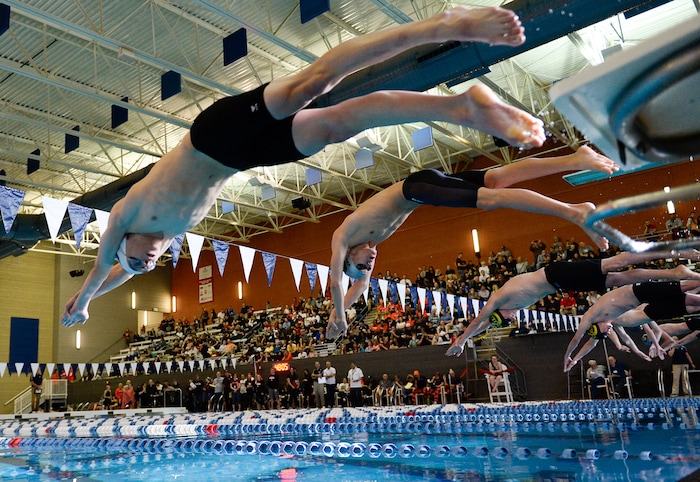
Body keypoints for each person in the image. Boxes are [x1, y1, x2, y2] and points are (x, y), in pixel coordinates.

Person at [61, 6, 543, 328]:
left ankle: (443, 25)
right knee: (340, 124)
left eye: (137, 259)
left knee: (310, 84)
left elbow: (107, 265)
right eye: (147, 266)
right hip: (242, 158)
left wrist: (85, 302)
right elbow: (123, 270)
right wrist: (122, 278)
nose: (147, 262)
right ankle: (459, 108)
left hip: (211, 136)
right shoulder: (168, 235)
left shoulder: (127, 215)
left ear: (125, 243)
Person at [329, 146, 621, 338]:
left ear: (347, 257)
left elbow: (335, 283)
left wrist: (339, 313)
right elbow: (362, 285)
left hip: (417, 189)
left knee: (492, 199)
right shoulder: (368, 247)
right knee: (495, 180)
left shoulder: (342, 236)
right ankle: (573, 159)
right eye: (366, 266)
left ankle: (574, 211)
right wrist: (335, 316)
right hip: (424, 187)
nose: (370, 263)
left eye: (361, 264)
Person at [446, 249, 700, 357]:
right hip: (562, 283)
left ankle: (673, 254)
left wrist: (462, 340)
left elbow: (480, 320)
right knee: (621, 277)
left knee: (615, 264)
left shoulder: (499, 298)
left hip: (556, 274)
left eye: (504, 319)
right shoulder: (516, 305)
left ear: (500, 311)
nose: (512, 320)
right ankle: (675, 273)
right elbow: (485, 325)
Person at [564, 280, 700, 372]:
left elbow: (578, 340)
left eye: (605, 333)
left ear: (598, 325)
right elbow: (622, 339)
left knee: (688, 297)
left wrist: (568, 356)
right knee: (691, 306)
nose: (608, 332)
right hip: (651, 313)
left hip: (645, 304)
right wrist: (575, 359)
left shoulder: (601, 315)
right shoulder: (612, 322)